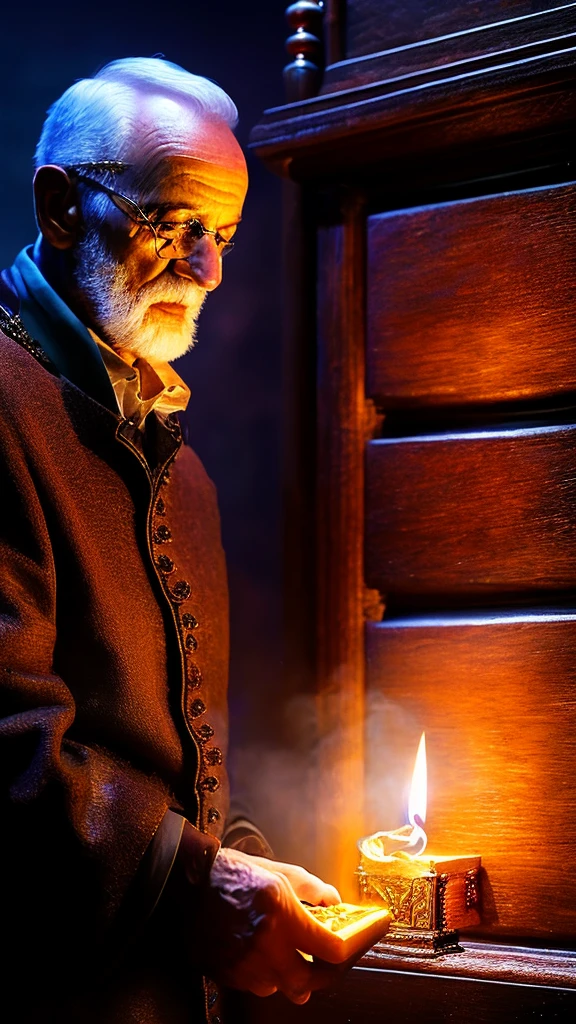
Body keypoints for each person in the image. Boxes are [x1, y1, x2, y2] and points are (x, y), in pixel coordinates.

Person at [0, 57, 343, 1024]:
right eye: (176, 225)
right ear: (62, 207)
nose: (209, 272)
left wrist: (238, 868)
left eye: (223, 234)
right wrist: (200, 887)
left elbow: (165, 756)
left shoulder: (181, 471)